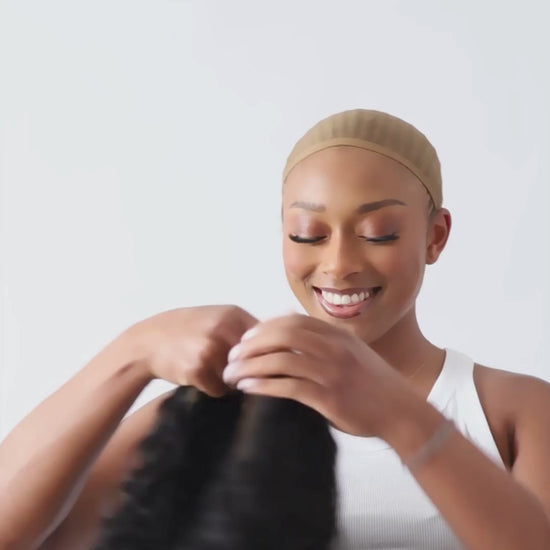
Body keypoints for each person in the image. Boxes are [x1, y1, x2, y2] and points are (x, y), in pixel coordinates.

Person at [0, 109, 549, 550]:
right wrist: (132, 353)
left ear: (435, 236)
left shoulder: (510, 412)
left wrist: (398, 415)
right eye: (308, 234)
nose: (339, 265)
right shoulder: (222, 415)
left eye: (378, 233)